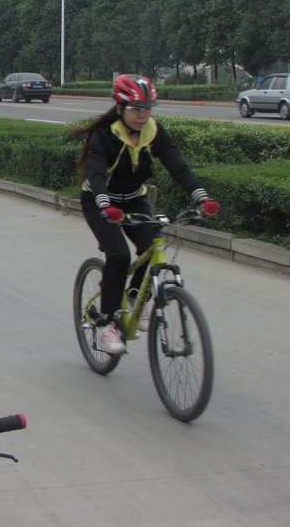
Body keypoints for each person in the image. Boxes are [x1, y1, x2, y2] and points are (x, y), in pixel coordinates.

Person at [70, 74, 219, 355]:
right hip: (100, 203)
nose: (142, 115)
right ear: (120, 108)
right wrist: (105, 204)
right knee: (119, 255)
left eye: (147, 108)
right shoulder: (104, 136)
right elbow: (96, 174)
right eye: (136, 109)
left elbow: (178, 167)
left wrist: (202, 197)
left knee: (151, 247)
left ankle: (136, 297)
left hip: (134, 200)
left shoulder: (155, 132)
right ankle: (106, 324)